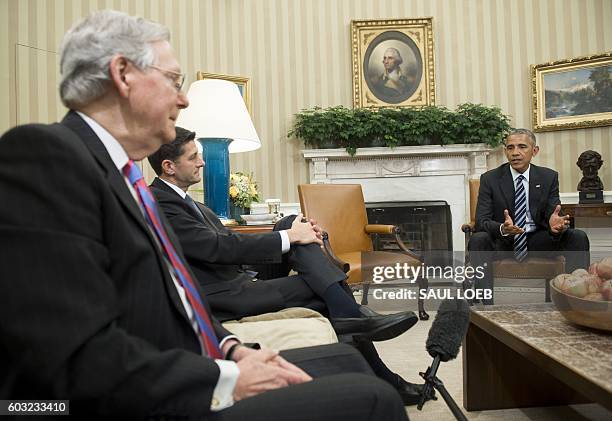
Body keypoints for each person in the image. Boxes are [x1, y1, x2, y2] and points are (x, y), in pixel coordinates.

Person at [0, 10, 409, 420]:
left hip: (193, 366)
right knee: (376, 400)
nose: (183, 100)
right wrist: (224, 378)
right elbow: (74, 356)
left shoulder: (126, 180)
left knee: (348, 361)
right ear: (123, 75)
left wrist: (234, 349)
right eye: (174, 82)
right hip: (158, 400)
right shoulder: (47, 157)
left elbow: (178, 300)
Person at [147, 128, 430, 405]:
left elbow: (228, 244)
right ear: (169, 166)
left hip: (237, 276)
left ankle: (350, 315)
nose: (202, 161)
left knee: (291, 222)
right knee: (318, 287)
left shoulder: (191, 203)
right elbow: (217, 248)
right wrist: (289, 238)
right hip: (222, 295)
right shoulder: (160, 202)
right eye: (194, 156)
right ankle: (369, 346)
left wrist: (293, 232)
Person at [468, 128, 590, 304]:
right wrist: (503, 228)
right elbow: (481, 221)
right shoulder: (490, 179)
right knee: (478, 239)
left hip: (537, 240)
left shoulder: (548, 177)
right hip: (504, 242)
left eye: (522, 147)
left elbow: (553, 211)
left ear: (535, 151)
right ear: (505, 151)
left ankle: (573, 302)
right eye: (510, 148)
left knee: (578, 237)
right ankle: (486, 307)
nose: (515, 153)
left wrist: (555, 223)